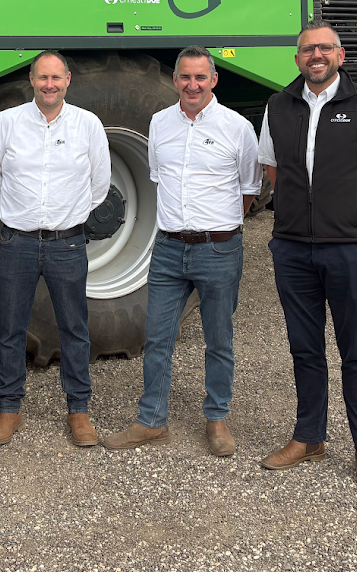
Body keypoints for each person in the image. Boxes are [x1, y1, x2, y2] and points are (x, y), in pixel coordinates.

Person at [257, 20, 357, 492]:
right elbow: (272, 170)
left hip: (351, 249)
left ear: (340, 55)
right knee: (304, 348)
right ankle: (309, 437)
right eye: (307, 49)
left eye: (325, 48)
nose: (316, 56)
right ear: (298, 57)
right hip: (292, 248)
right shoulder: (278, 107)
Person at [102, 46, 262, 455]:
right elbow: (159, 177)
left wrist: (217, 229)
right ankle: (151, 420)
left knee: (219, 339)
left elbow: (248, 190)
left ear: (213, 80)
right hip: (169, 249)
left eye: (200, 77)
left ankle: (217, 419)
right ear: (175, 80)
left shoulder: (238, 127)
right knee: (157, 337)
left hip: (219, 250)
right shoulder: (159, 123)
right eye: (185, 77)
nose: (193, 85)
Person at [0, 50, 110, 447]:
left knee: (74, 328)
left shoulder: (87, 125)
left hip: (67, 243)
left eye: (56, 77)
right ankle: (9, 410)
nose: (49, 85)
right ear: (32, 80)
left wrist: (67, 216)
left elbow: (99, 184)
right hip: (16, 241)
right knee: (11, 329)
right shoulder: (7, 122)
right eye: (42, 78)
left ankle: (79, 411)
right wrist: (16, 214)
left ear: (68, 80)